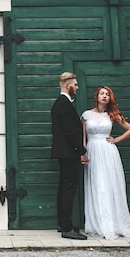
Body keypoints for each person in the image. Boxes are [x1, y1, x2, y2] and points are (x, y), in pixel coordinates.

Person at [81, 85, 130, 240]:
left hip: (108, 151)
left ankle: (114, 224)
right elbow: (83, 137)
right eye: (101, 94)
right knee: (97, 186)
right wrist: (83, 153)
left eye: (107, 94)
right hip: (92, 151)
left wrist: (115, 140)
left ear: (110, 98)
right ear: (96, 96)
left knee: (110, 186)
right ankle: (98, 224)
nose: (104, 96)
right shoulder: (86, 115)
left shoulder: (112, 115)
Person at [51, 72, 89, 240]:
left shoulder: (60, 103)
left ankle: (62, 223)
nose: (77, 87)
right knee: (68, 189)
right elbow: (70, 132)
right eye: (75, 84)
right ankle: (67, 228)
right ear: (68, 85)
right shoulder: (64, 104)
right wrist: (81, 150)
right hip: (68, 153)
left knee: (63, 187)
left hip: (63, 153)